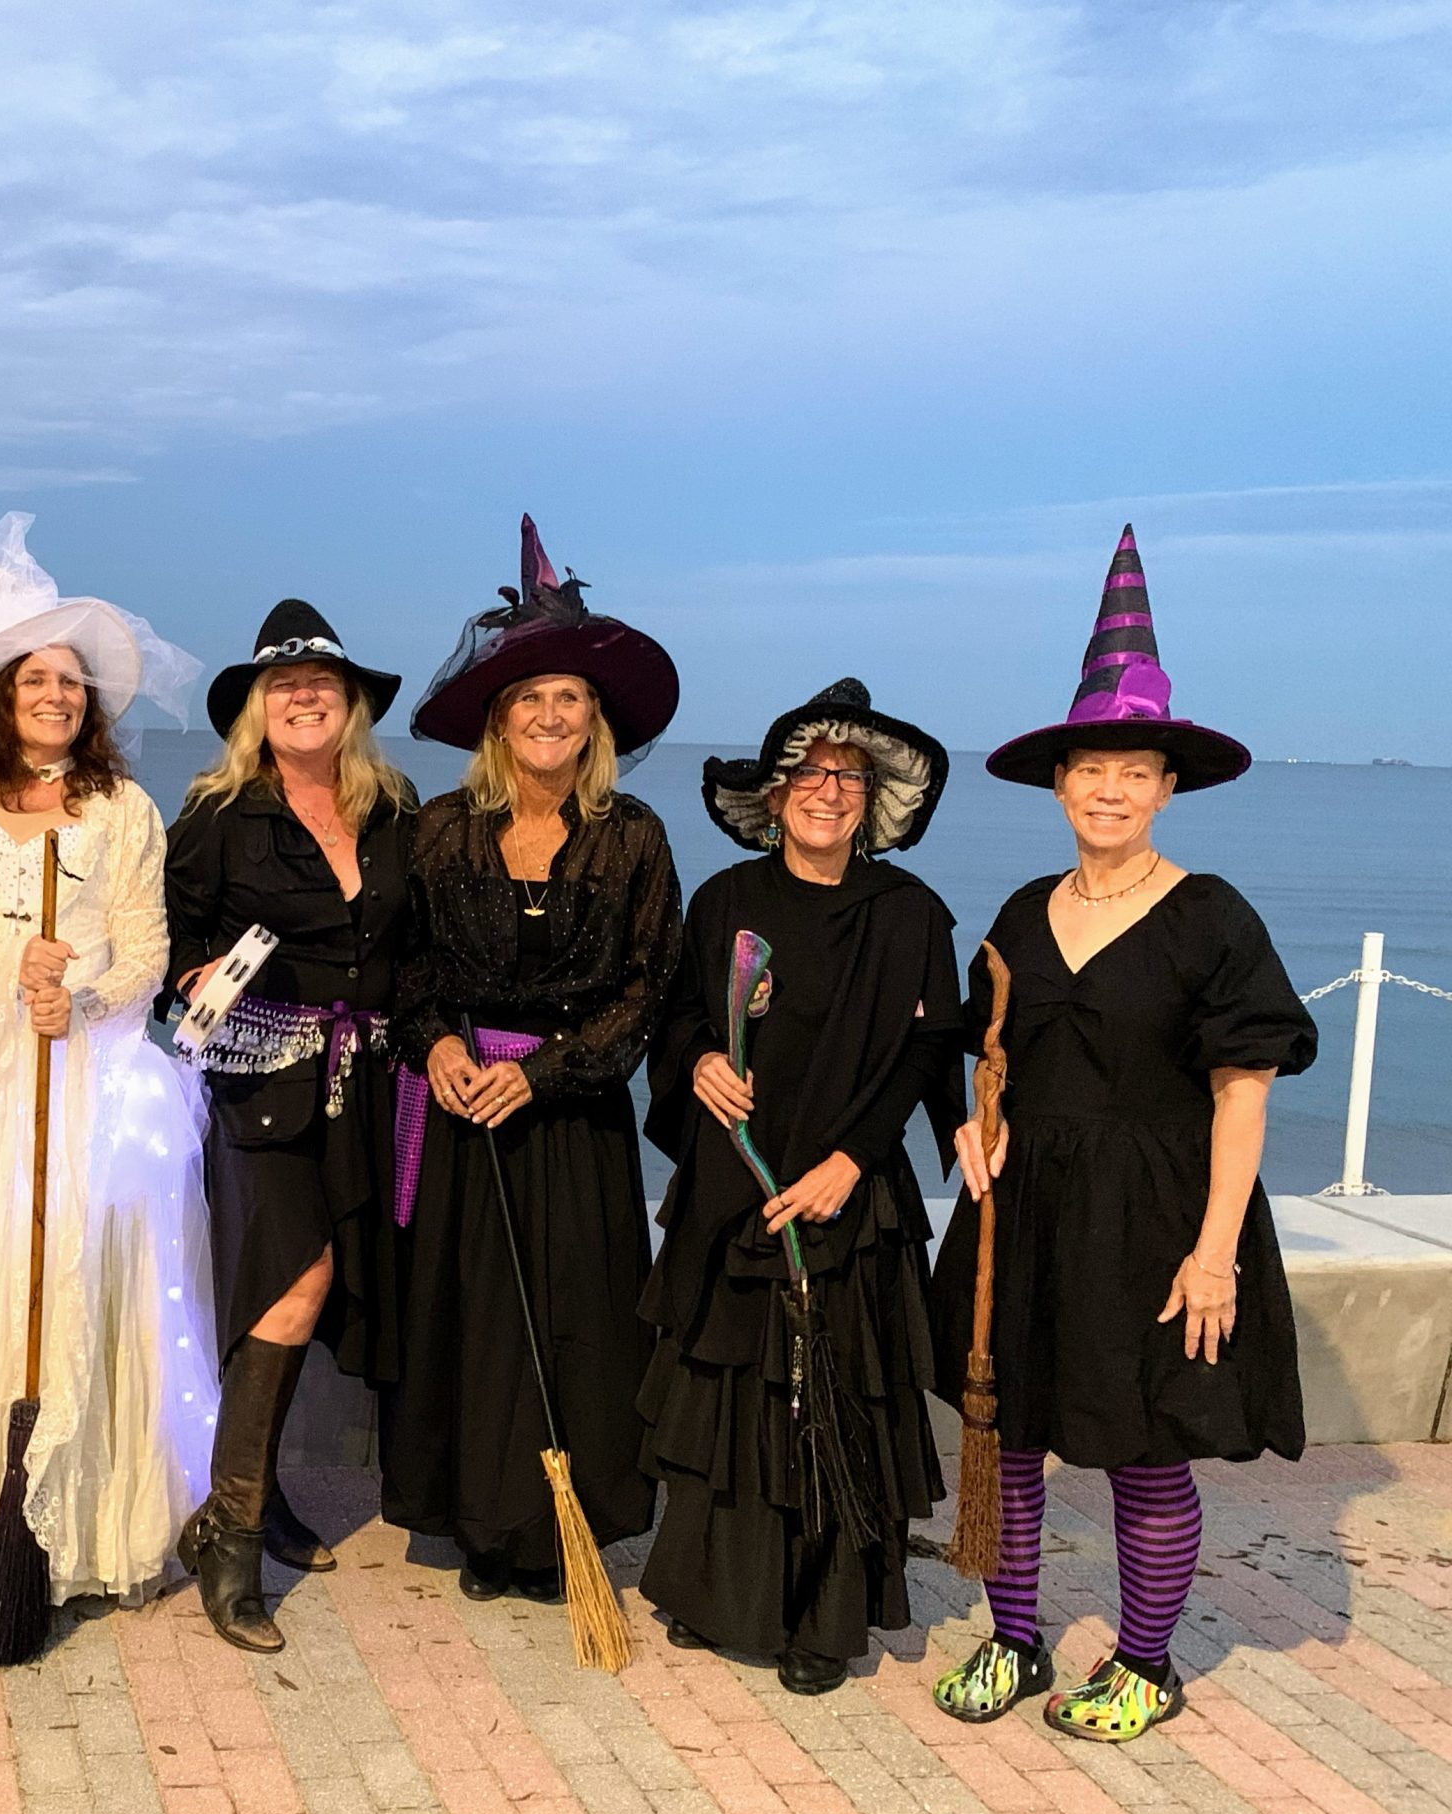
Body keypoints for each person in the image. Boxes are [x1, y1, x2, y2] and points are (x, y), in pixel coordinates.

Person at [928, 526, 1316, 1741]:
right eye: (1089, 767)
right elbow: (988, 1054)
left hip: (1156, 1217)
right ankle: (1013, 1639)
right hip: (1026, 1210)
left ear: (1164, 788)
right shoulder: (1017, 911)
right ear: (1058, 784)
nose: (1108, 788)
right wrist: (973, 1133)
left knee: (1146, 1451)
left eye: (1133, 770)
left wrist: (1215, 1254)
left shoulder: (1210, 916)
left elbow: (1242, 1091)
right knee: (1010, 1438)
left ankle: (1145, 1662)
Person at [0, 512, 214, 1643]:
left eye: (70, 681)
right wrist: (14, 964)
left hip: (98, 1085)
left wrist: (91, 996)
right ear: (0, 698)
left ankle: (92, 1527)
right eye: (36, 680)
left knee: (92, 1278)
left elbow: (149, 943)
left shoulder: (124, 809)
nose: (56, 695)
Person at [635, 677, 960, 1696]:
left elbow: (927, 1055)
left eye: (849, 778)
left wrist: (850, 1161)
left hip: (847, 1191)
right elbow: (675, 1016)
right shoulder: (724, 902)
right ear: (774, 795)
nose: (829, 790)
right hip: (738, 1180)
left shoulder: (910, 914)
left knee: (836, 1398)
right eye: (810, 774)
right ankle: (714, 1595)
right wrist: (697, 1059)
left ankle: (822, 1618)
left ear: (872, 803)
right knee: (730, 1391)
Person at [385, 515, 683, 1603]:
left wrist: (545, 1070)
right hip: (464, 1111)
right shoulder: (441, 827)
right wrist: (439, 1046)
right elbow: (405, 969)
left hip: (572, 1115)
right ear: (498, 718)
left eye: (569, 697)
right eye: (529, 698)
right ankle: (486, 1522)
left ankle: (567, 1528)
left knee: (574, 1324)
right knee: (476, 1323)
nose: (550, 715)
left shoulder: (633, 833)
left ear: (594, 717)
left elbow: (649, 987)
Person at [162, 596, 414, 1653]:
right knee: (290, 1280)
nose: (304, 695)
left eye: (322, 682)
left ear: (350, 703)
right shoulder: (219, 813)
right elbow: (167, 943)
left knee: (330, 1283)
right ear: (257, 708)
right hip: (260, 1079)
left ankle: (252, 1493)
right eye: (284, 684)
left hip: (367, 1083)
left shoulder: (393, 808)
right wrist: (193, 975)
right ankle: (230, 1532)